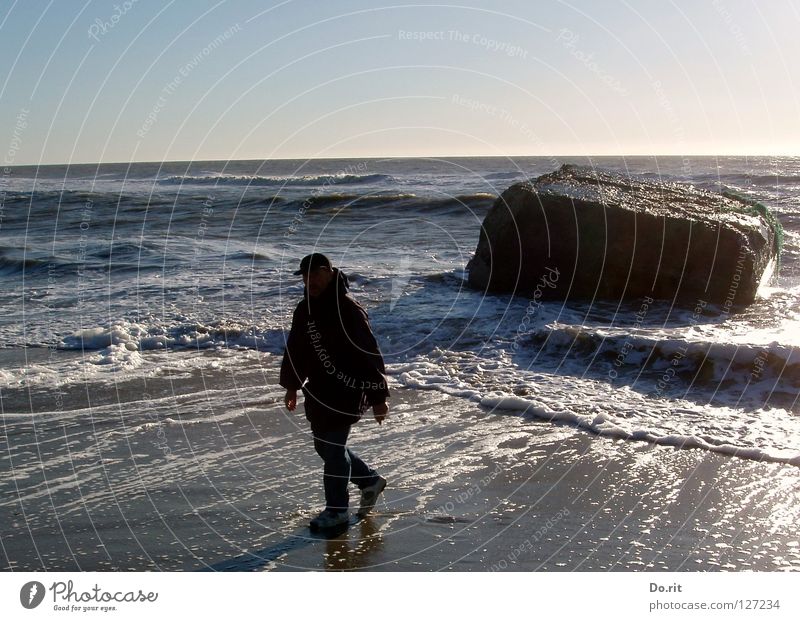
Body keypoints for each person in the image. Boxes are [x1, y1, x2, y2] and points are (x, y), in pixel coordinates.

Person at [280, 253, 390, 529]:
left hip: (349, 388)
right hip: (318, 388)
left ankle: (337, 510)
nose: (310, 280)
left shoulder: (349, 310)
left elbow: (369, 352)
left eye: (316, 274)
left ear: (330, 273)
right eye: (305, 276)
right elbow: (296, 349)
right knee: (326, 447)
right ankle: (369, 481)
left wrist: (378, 398)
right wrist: (292, 386)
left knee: (332, 447)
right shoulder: (303, 310)